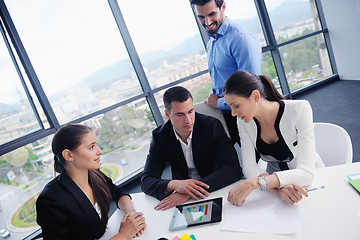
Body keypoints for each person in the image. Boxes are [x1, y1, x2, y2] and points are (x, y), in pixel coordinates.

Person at [222, 70, 325, 207]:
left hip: (311, 184)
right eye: (230, 107)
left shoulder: (300, 109)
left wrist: (254, 183)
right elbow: (248, 166)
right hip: (276, 189)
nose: (233, 113)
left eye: (236, 106)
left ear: (255, 96)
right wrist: (278, 191)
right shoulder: (243, 122)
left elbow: (306, 173)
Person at [36, 124, 146, 240]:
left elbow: (117, 193)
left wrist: (132, 215)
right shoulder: (50, 201)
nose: (100, 151)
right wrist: (123, 235)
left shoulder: (94, 174)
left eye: (96, 144)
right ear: (68, 155)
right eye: (91, 147)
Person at [141, 86, 242, 210]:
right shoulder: (160, 137)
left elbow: (233, 169)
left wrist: (190, 192)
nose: (188, 120)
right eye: (180, 115)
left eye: (190, 111)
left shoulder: (211, 126)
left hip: (216, 187)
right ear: (168, 114)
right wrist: (176, 184)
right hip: (183, 198)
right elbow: (146, 181)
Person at [190, 0, 262, 146]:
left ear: (223, 6)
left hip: (245, 111)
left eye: (212, 14)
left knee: (262, 156)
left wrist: (219, 102)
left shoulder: (240, 38)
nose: (207, 22)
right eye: (202, 17)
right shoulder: (212, 43)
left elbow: (251, 88)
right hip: (226, 111)